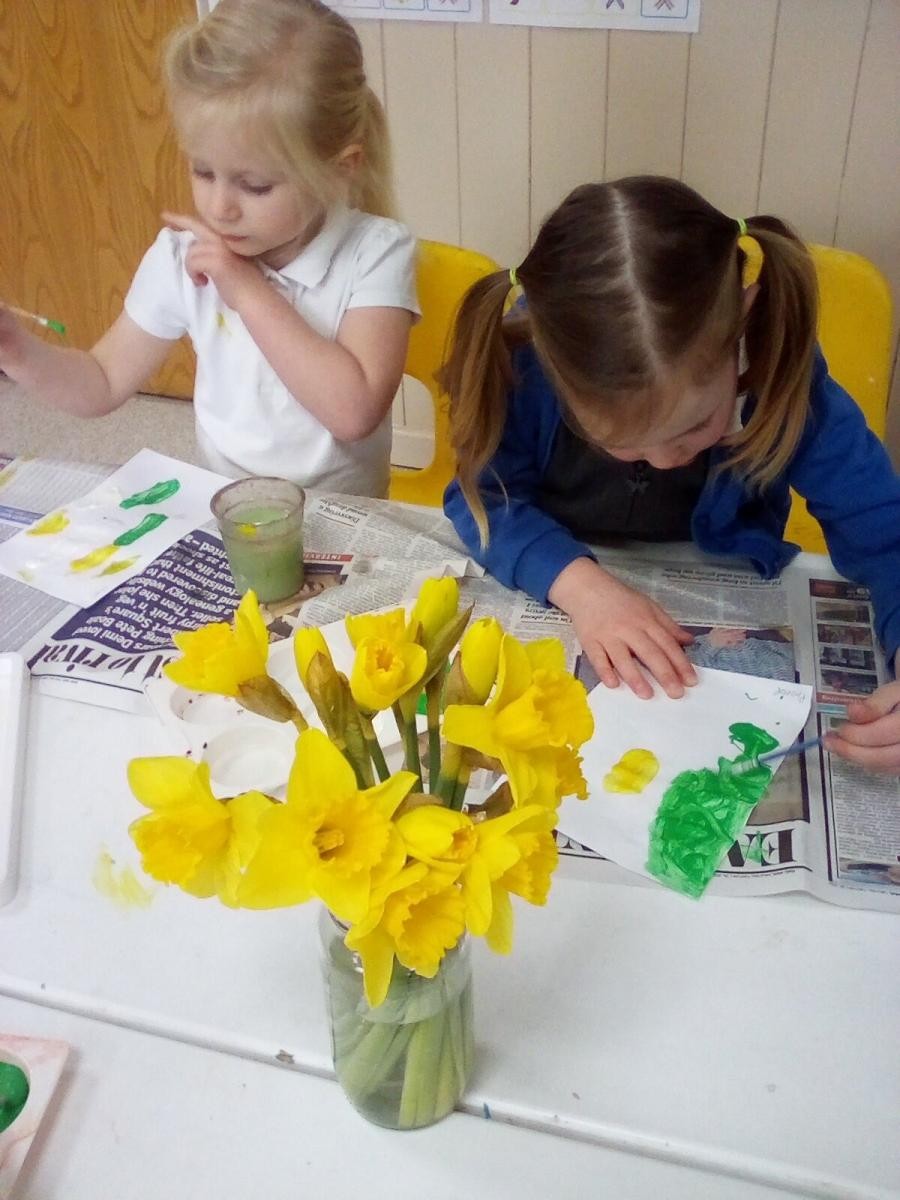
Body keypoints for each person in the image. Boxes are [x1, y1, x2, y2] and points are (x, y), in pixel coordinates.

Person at [442, 177, 900, 774]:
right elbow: (482, 499)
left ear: (743, 320)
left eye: (694, 427)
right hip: (573, 583)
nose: (664, 461)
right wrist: (582, 588)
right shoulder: (524, 365)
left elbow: (885, 531)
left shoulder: (783, 376)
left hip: (727, 591)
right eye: (616, 442)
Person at [0, 0, 418, 498]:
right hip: (234, 515)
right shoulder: (183, 257)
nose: (219, 208)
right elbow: (104, 379)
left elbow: (354, 412)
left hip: (345, 517)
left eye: (256, 186)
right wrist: (18, 351)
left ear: (340, 169)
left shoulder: (376, 253)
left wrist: (246, 288)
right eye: (202, 171)